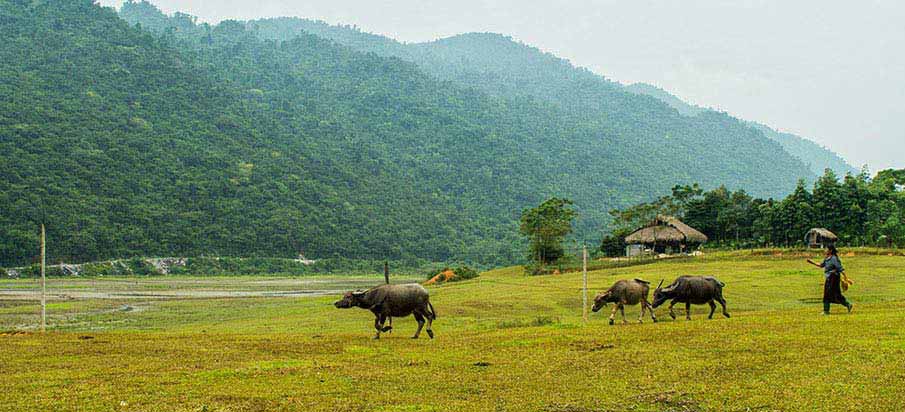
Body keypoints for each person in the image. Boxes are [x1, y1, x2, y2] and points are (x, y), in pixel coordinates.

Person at [807, 245, 853, 315]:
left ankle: (826, 311)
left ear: (830, 250)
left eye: (826, 249)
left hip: (834, 278)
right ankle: (848, 304)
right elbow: (821, 265)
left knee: (829, 294)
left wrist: (846, 278)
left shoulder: (834, 259)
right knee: (834, 294)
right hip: (829, 278)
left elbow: (840, 269)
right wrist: (811, 262)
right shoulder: (827, 258)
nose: (825, 250)